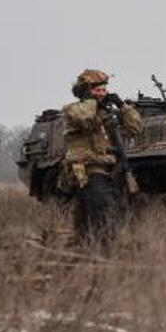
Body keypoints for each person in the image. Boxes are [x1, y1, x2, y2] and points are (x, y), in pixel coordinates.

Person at [61, 68, 142, 247]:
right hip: (87, 168)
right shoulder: (73, 110)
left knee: (113, 208)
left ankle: (92, 245)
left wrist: (122, 106)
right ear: (86, 92)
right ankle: (104, 247)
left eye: (104, 90)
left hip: (109, 169)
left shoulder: (107, 113)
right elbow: (85, 116)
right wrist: (92, 101)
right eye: (97, 90)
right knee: (102, 208)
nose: (102, 94)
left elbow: (135, 127)